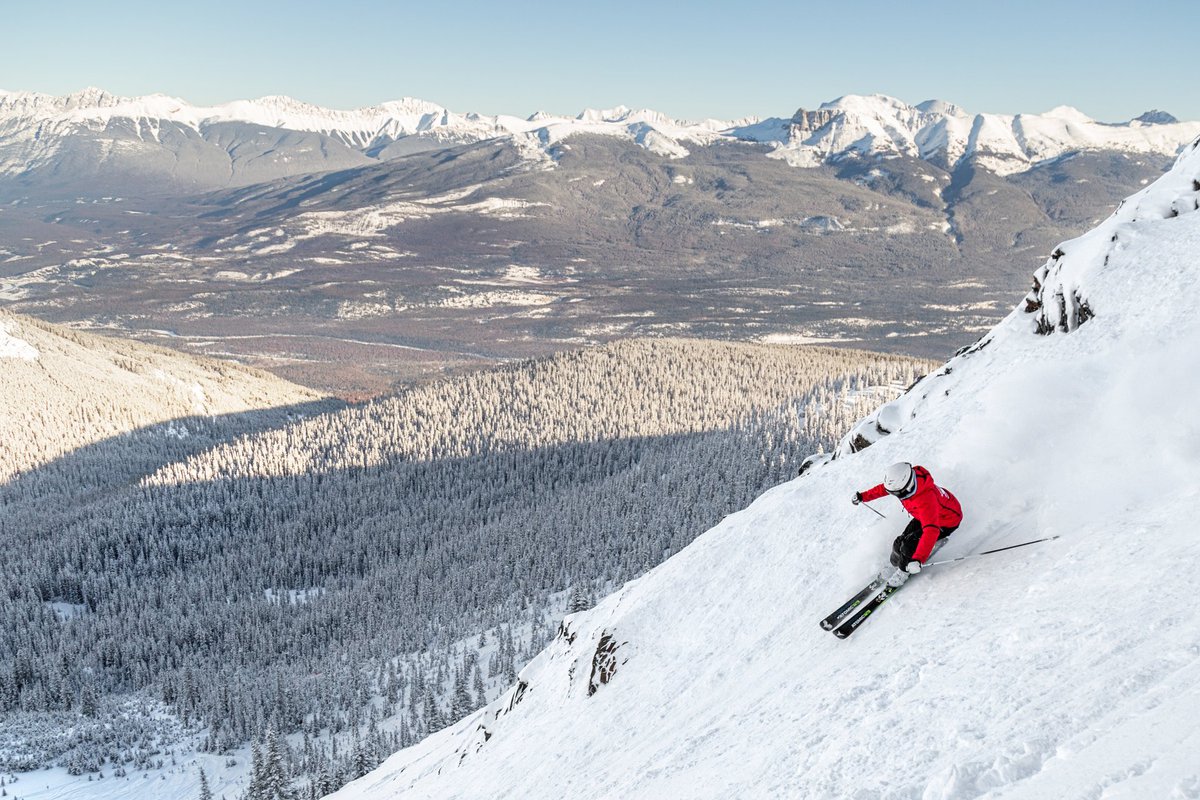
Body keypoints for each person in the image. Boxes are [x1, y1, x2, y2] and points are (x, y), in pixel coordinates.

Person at [853, 462, 963, 582]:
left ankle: (903, 571)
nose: (897, 496)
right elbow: (883, 489)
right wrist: (863, 496)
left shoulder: (926, 499)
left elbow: (931, 530)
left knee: (908, 545)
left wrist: (918, 559)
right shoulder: (904, 485)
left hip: (945, 521)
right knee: (899, 542)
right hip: (923, 516)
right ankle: (895, 564)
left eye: (897, 493)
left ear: (908, 486)